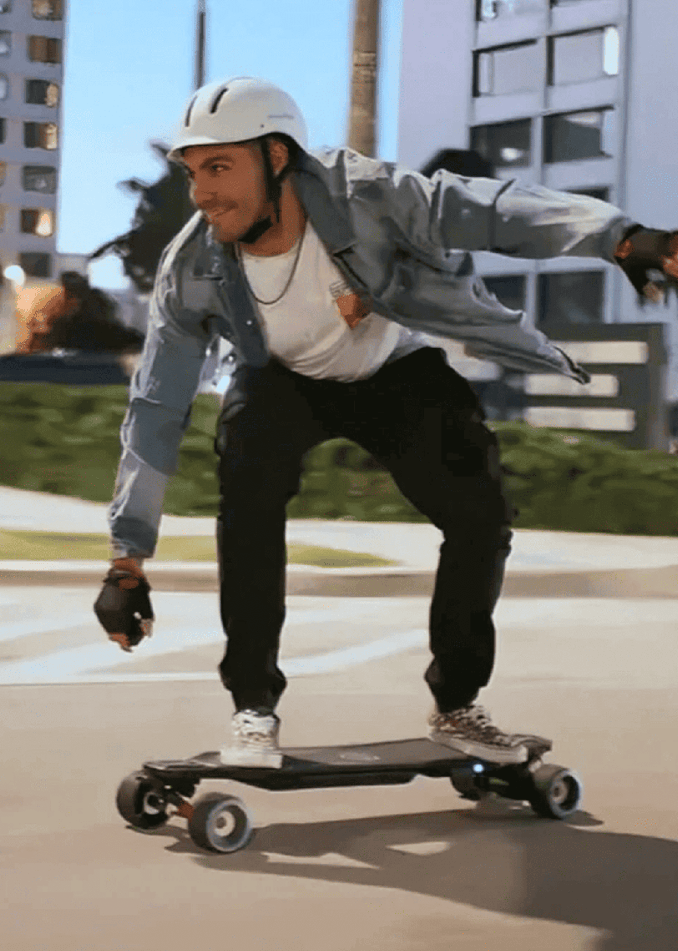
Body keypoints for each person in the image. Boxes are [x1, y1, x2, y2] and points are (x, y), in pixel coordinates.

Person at [94, 76, 678, 769]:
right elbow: (157, 405)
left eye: (220, 168)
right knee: (247, 502)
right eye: (194, 173)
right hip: (279, 380)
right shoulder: (191, 265)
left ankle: (458, 704)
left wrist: (618, 237)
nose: (203, 194)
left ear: (277, 156)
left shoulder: (363, 195)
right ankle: (253, 708)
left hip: (393, 371)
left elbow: (488, 210)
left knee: (480, 514)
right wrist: (127, 560)